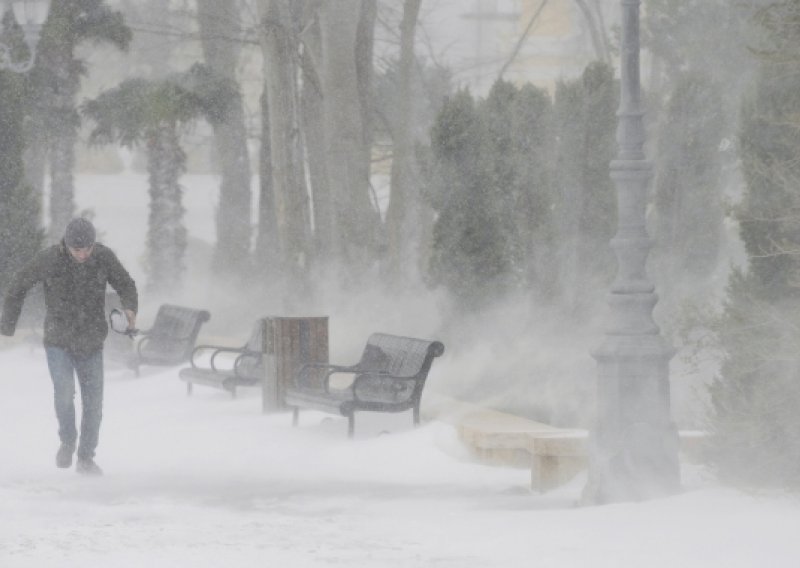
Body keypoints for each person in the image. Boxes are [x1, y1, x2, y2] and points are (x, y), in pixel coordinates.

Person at [1, 218, 137, 476]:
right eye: (77, 250)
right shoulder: (49, 260)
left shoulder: (103, 257)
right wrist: (6, 327)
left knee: (93, 404)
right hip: (58, 341)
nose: (83, 254)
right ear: (66, 245)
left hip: (92, 341)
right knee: (64, 393)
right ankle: (67, 440)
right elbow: (17, 286)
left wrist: (130, 308)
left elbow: (126, 284)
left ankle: (86, 458)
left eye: (88, 249)